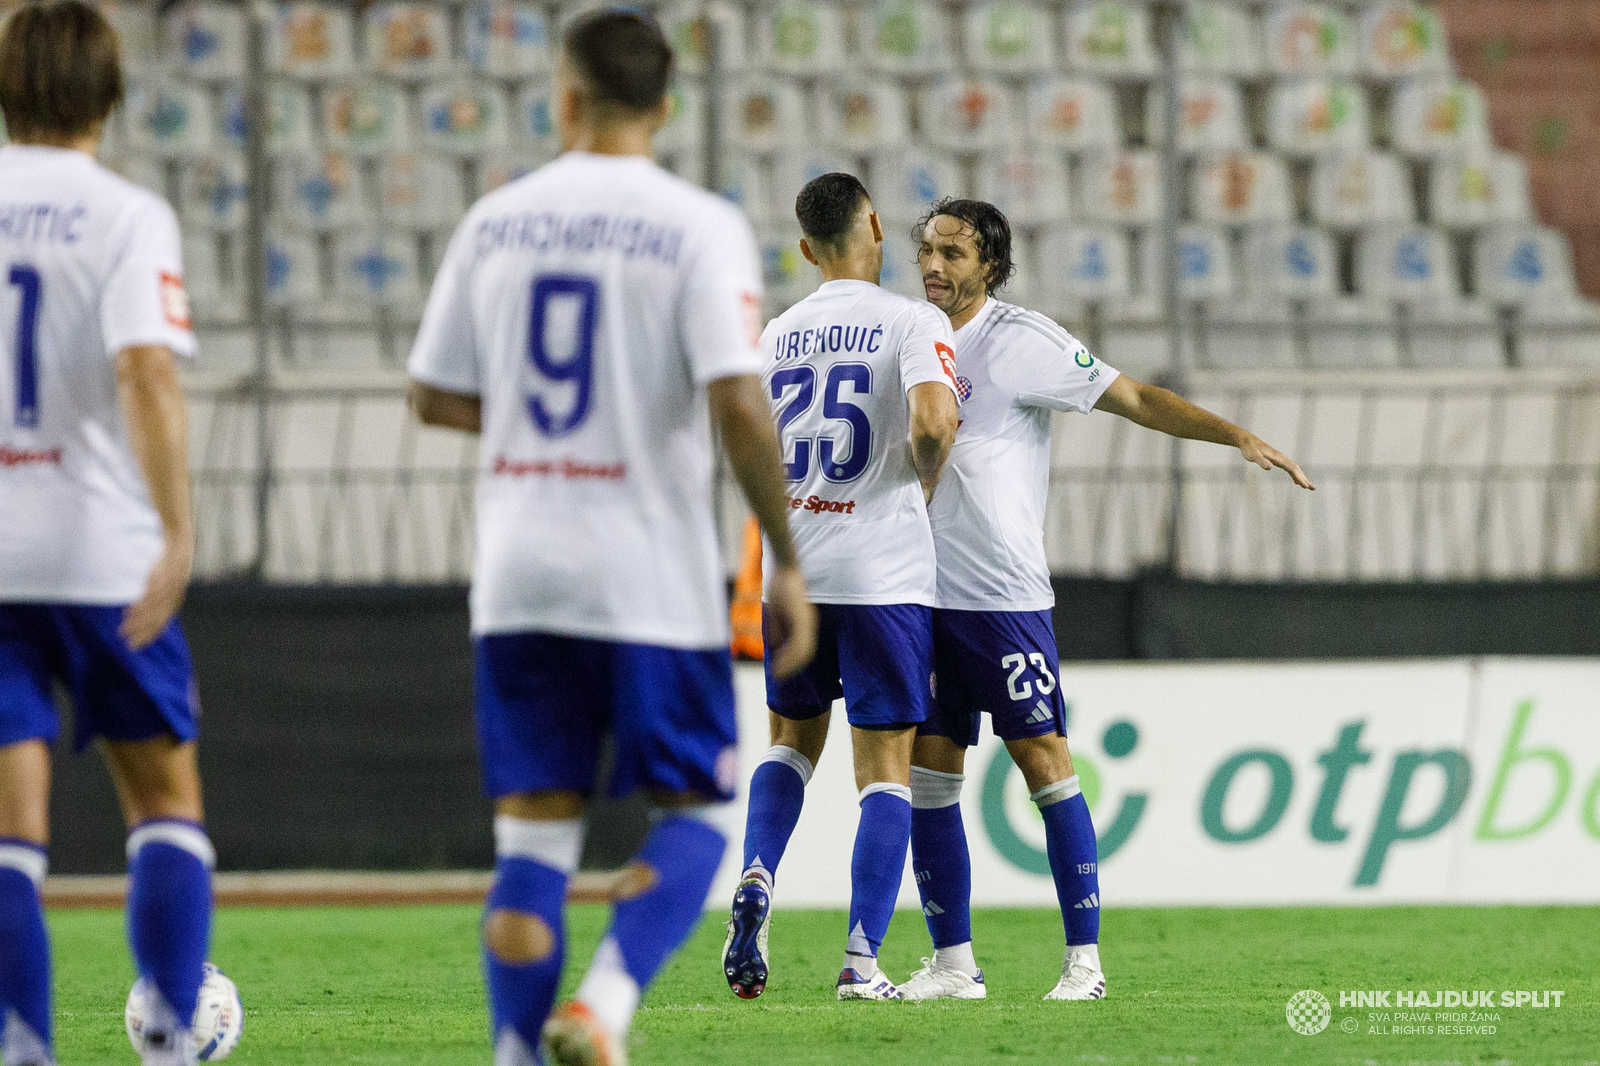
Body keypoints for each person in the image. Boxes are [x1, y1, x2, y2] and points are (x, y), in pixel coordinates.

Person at [406, 11, 816, 1066]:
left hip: (519, 575)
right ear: (666, 106)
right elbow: (736, 401)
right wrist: (788, 557)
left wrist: (555, 428)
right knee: (696, 816)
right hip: (647, 577)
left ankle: (514, 1051)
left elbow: (434, 394)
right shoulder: (696, 224)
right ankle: (606, 997)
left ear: (567, 96)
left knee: (534, 841)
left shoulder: (497, 220)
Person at [899, 199, 1314, 1003]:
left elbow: (1136, 399)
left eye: (953, 251)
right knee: (931, 779)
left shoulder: (1023, 342)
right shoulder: (907, 337)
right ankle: (954, 964)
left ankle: (1083, 963)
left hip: (1003, 600)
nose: (934, 265)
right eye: (927, 249)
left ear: (991, 266)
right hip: (922, 594)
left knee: (1045, 766)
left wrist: (1234, 435)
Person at [0, 5, 216, 1065]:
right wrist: (175, 525)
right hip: (97, 553)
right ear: (109, 92)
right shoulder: (126, 215)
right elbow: (146, 371)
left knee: (9, 831)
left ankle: (22, 1045)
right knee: (164, 800)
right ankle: (174, 1039)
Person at [721, 173, 961, 1002]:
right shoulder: (912, 321)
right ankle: (861, 960)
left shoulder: (776, 335)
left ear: (804, 249)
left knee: (789, 741)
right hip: (882, 571)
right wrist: (921, 481)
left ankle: (757, 871)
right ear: (877, 226)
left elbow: (742, 442)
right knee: (886, 770)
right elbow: (932, 423)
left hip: (794, 570)